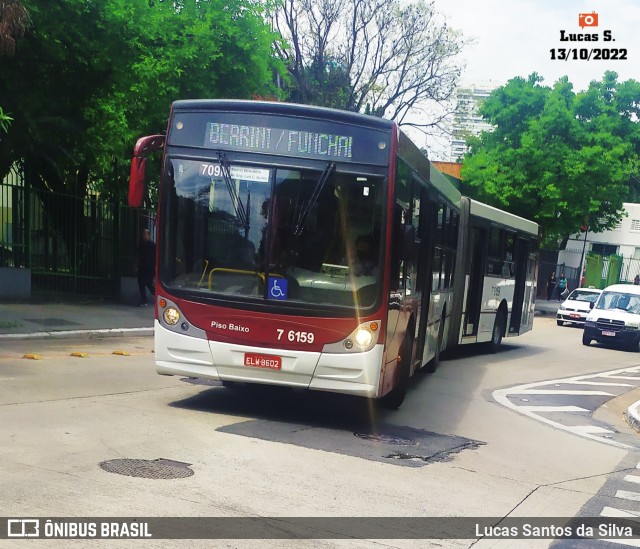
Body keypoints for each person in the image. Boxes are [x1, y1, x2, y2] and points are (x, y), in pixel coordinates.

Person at [135, 228, 156, 306]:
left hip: (149, 268)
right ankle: (144, 300)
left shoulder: (153, 245)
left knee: (148, 283)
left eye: (145, 234)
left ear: (149, 235)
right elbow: (138, 256)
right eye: (143, 234)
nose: (144, 236)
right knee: (141, 283)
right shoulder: (141, 245)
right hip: (142, 267)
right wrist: (136, 265)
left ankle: (156, 295)